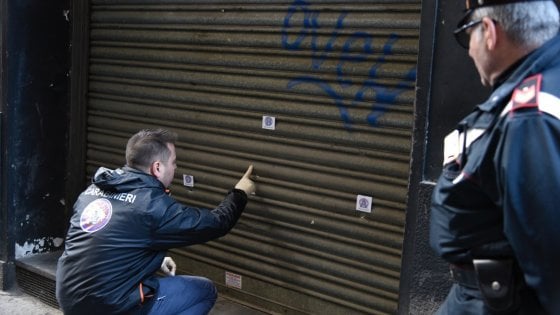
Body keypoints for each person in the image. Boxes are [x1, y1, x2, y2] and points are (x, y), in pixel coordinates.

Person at [430, 0, 560, 314]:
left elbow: (551, 259)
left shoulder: (529, 116)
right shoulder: (542, 86)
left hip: (494, 301)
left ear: (488, 32)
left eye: (466, 36)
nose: (470, 50)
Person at [56, 128, 256, 315]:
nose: (176, 168)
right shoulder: (151, 205)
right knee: (204, 290)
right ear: (157, 167)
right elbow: (216, 223)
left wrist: (155, 259)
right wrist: (240, 193)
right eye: (174, 162)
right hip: (109, 304)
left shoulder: (93, 191)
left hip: (70, 299)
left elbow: (108, 241)